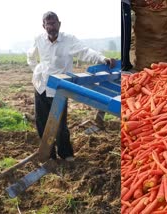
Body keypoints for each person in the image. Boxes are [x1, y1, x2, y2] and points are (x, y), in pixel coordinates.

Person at [27, 11, 116, 161]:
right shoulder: (38, 39)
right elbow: (30, 55)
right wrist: (36, 70)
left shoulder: (68, 40)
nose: (51, 26)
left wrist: (103, 59)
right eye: (48, 24)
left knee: (60, 123)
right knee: (41, 121)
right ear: (44, 26)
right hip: (41, 85)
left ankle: (66, 154)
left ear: (59, 24)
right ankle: (49, 156)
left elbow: (85, 52)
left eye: (54, 23)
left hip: (59, 88)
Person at [122, 0, 133, 71]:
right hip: (123, 4)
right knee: (124, 35)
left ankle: (126, 63)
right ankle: (124, 64)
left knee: (126, 34)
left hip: (124, 5)